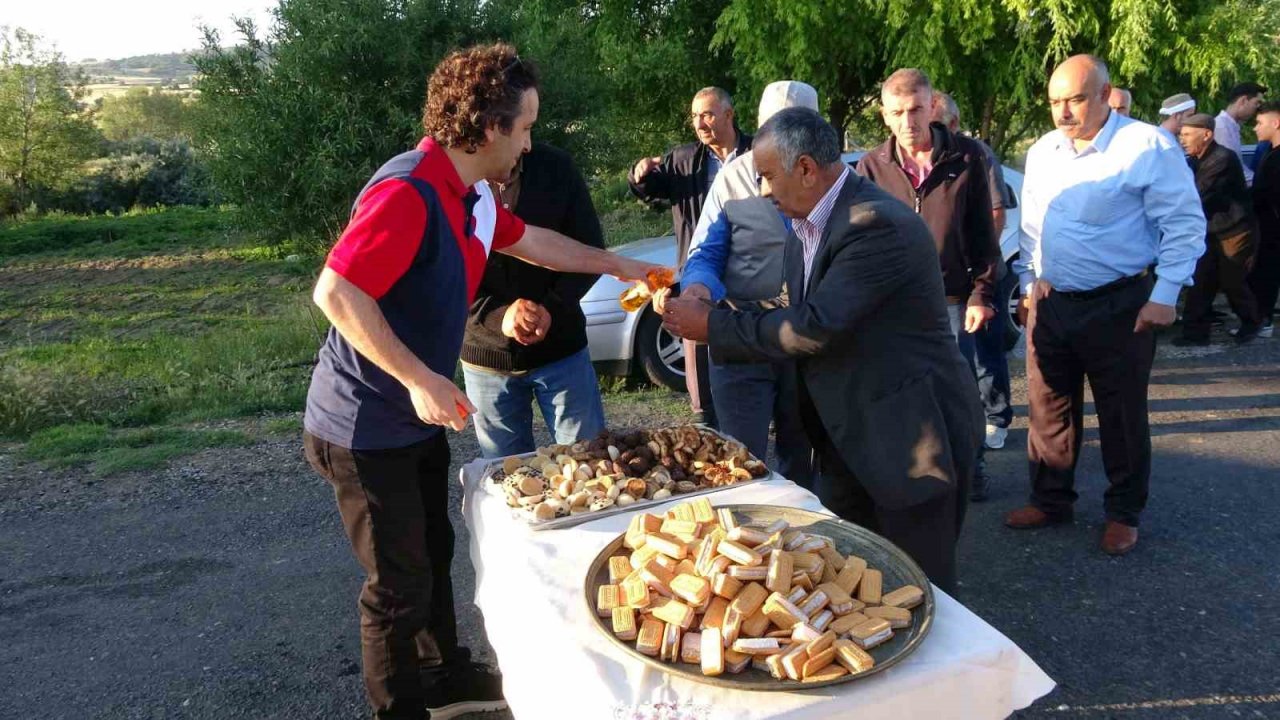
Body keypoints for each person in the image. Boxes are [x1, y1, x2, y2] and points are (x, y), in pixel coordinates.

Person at [301, 44, 663, 720]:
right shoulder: (408, 190)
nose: (528, 144)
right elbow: (338, 290)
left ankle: (448, 679)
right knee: (397, 587)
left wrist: (620, 265)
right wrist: (418, 378)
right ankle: (400, 709)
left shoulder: (467, 195)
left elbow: (535, 242)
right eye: (524, 127)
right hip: (363, 426)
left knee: (433, 554)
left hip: (416, 418)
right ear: (490, 127)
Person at [661, 107, 983, 593]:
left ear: (807, 169)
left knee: (917, 587)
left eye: (768, 176)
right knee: (855, 583)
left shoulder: (872, 223)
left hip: (909, 440)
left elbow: (814, 327)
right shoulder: (808, 224)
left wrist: (715, 327)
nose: (764, 192)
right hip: (849, 435)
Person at [1007, 55, 1205, 556]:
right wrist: (1030, 281)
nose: (1063, 112)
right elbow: (1033, 224)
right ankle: (1051, 499)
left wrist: (1165, 294)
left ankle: (1123, 511)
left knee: (1120, 413)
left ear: (1104, 94)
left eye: (1074, 99)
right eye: (1054, 102)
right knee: (1048, 407)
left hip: (1120, 304)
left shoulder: (1145, 146)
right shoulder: (1044, 150)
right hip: (1053, 303)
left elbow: (1183, 224)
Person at [854, 69, 1000, 501]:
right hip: (893, 305)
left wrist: (982, 293)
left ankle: (972, 469)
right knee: (902, 390)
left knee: (958, 391)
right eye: (897, 112)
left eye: (916, 109)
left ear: (932, 105)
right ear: (884, 115)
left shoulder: (968, 156)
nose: (908, 121)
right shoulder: (870, 167)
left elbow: (984, 236)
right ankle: (916, 476)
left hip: (954, 299)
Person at [667, 80, 818, 487]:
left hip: (808, 337)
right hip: (741, 335)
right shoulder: (732, 179)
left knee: (802, 454)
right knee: (739, 459)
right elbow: (707, 251)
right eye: (775, 132)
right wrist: (699, 289)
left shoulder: (828, 181)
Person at [461, 143, 607, 458]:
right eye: (522, 126)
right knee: (507, 478)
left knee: (590, 466)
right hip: (486, 358)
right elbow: (444, 274)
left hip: (562, 352)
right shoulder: (458, 178)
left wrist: (551, 308)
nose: (526, 142)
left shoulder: (557, 167)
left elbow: (591, 249)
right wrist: (500, 316)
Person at [630, 88, 754, 427]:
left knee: (749, 351)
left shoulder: (758, 153)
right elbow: (653, 188)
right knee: (699, 356)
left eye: (708, 115)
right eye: (696, 116)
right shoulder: (684, 159)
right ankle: (705, 422)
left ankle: (754, 416)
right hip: (699, 274)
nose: (700, 123)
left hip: (750, 277)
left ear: (729, 115)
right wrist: (640, 175)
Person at [932, 92, 1016, 458]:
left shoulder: (974, 155)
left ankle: (995, 419)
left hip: (974, 279)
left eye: (934, 122)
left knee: (984, 354)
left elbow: (995, 215)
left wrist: (981, 269)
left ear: (952, 123)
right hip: (939, 285)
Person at [1173, 113, 1261, 345]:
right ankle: (1195, 333)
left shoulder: (1222, 158)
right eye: (1181, 134)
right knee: (1202, 279)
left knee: (1231, 279)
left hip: (1235, 229)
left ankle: (1252, 323)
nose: (1182, 139)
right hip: (1212, 229)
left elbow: (1198, 193)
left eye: (1188, 134)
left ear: (1207, 134)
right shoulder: (1195, 159)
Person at [1249, 102, 1280, 336]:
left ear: (1275, 123)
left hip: (1272, 226)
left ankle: (1264, 320)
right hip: (1266, 224)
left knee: (1267, 272)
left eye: (1259, 123)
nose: (1255, 128)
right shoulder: (1269, 153)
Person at [1215, 82, 1267, 185]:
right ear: (1243, 100)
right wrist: (1261, 184)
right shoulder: (1221, 127)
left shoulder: (1232, 126)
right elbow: (1233, 167)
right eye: (1256, 103)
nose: (1257, 108)